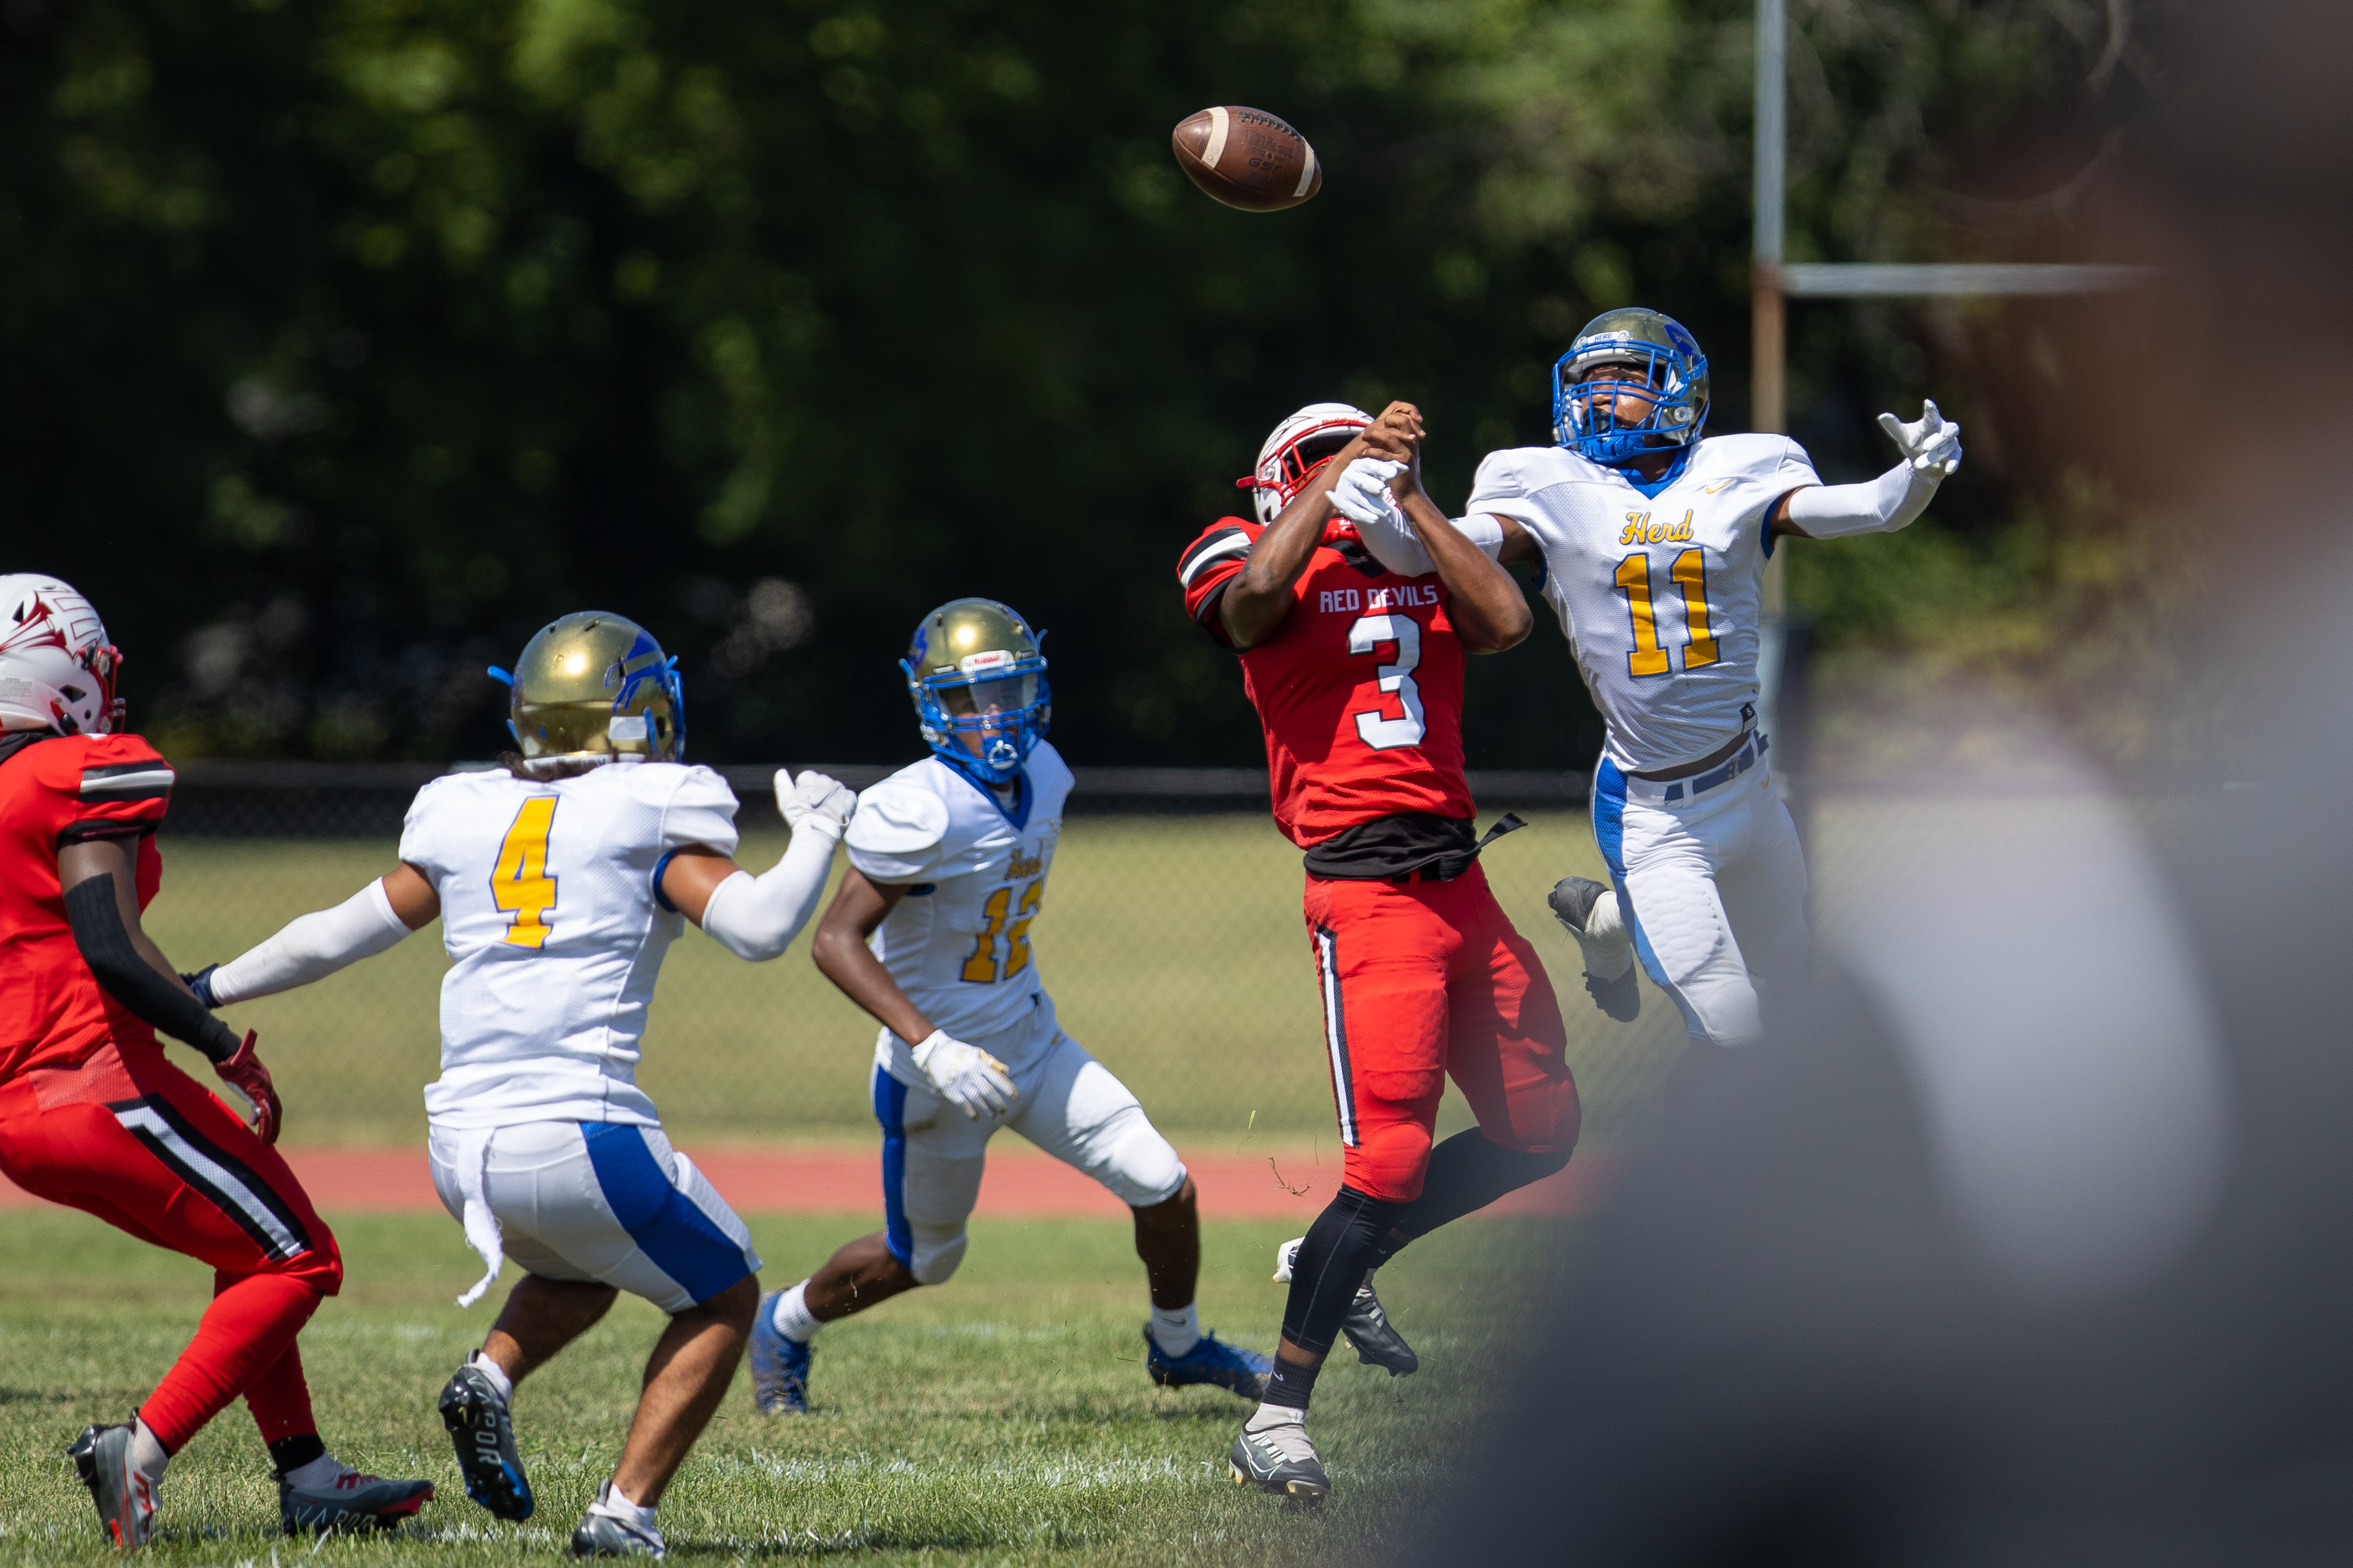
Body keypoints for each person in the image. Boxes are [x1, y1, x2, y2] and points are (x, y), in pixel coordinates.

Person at [190, 611, 855, 1559]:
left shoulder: (464, 807)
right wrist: (817, 834)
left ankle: (491, 1378)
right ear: (632, 715)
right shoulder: (655, 804)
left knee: (581, 1262)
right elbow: (758, 928)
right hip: (582, 1132)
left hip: (458, 1148)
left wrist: (202, 986)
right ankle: (625, 1513)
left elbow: (337, 930)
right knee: (723, 1294)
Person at [1330, 308, 1963, 1079]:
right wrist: (1395, 501)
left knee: (1793, 984)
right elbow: (1419, 552)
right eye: (1589, 382)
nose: (1601, 397)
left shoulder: (1744, 467)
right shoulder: (1546, 487)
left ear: (1678, 390)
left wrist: (1918, 472)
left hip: (1751, 783)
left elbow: (1868, 507)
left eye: (1624, 379)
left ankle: (1606, 922)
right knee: (1735, 1032)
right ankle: (1732, 1192)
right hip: (1653, 812)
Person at [1175, 407, 1583, 1505]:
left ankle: (1340, 1259)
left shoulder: (1417, 540)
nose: (1358, 474)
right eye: (1333, 461)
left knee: (1541, 1130)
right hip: (1365, 895)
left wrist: (1406, 498)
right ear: (1282, 478)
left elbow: (1502, 623)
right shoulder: (1238, 546)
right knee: (1388, 1161)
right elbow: (1251, 601)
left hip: (1461, 880)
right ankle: (1274, 1420)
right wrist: (1341, 480)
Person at [746, 597, 1270, 1416]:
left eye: (1008, 690)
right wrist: (933, 1046)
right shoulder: (915, 804)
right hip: (940, 1070)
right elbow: (834, 940)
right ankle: (782, 1320)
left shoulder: (1049, 773)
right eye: (968, 698)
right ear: (931, 704)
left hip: (1031, 1036)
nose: (994, 715)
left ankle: (1179, 1344)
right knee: (924, 1259)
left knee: (1163, 1181)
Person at [0, 573, 433, 1548]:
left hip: (22, 1106)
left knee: (244, 1249)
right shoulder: (84, 765)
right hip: (96, 1078)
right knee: (302, 1254)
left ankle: (309, 1474)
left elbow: (85, 938)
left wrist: (195, 1004)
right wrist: (221, 1042)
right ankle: (140, 1450)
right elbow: (107, 940)